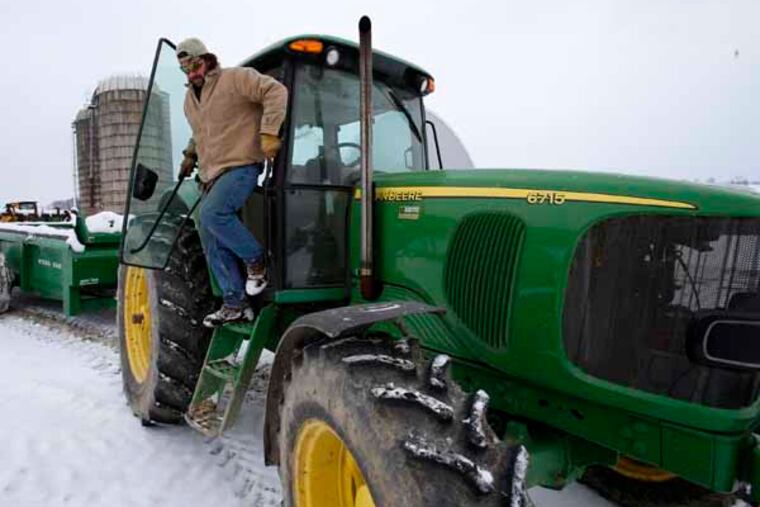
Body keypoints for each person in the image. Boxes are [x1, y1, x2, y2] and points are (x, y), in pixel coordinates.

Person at [176, 38, 288, 327]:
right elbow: (202, 132)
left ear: (208, 59)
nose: (192, 73)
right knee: (211, 238)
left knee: (213, 213)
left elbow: (276, 91)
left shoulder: (236, 79)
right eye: (186, 70)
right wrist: (190, 155)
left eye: (195, 65)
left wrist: (269, 131)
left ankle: (257, 260)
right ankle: (235, 303)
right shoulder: (190, 100)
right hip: (210, 174)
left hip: (241, 166)